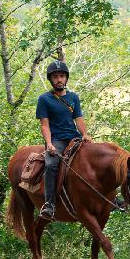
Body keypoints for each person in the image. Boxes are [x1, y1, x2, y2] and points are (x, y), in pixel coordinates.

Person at [36, 60, 92, 219]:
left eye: (61, 76)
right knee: (51, 164)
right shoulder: (44, 99)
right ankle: (49, 204)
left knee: (96, 158)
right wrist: (49, 144)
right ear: (51, 79)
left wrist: (85, 134)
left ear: (66, 78)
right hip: (57, 140)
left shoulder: (74, 97)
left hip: (74, 137)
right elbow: (45, 125)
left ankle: (111, 197)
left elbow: (79, 119)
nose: (59, 79)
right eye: (55, 77)